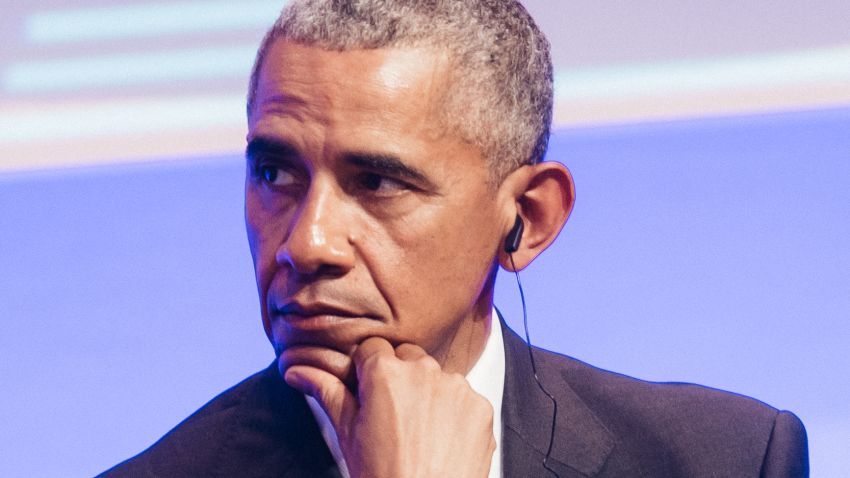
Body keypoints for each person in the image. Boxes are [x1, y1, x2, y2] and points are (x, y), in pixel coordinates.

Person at [99, 1, 808, 476]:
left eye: (377, 181)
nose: (306, 243)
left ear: (528, 218)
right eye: (275, 172)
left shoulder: (728, 459)